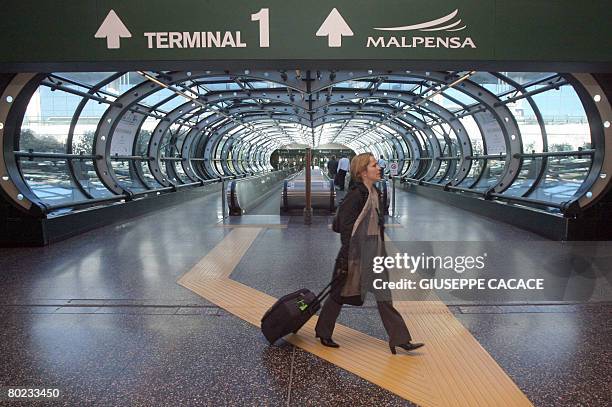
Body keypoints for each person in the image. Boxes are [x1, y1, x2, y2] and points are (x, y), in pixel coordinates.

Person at [315, 152, 424, 354]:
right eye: (374, 165)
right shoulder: (356, 195)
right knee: (339, 294)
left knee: (384, 296)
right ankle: (323, 331)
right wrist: (348, 259)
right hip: (355, 254)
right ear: (362, 172)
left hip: (374, 252)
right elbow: (346, 229)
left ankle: (400, 338)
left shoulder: (375, 192)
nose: (379, 168)